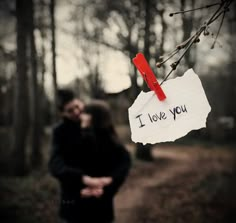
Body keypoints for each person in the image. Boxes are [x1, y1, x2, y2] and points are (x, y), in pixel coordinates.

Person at [49, 90, 131, 223]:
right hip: (73, 203)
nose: (76, 112)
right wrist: (82, 180)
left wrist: (108, 183)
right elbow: (55, 165)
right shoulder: (60, 132)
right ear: (62, 113)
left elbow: (122, 160)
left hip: (101, 203)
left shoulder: (99, 122)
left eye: (77, 106)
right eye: (70, 111)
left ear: (81, 102)